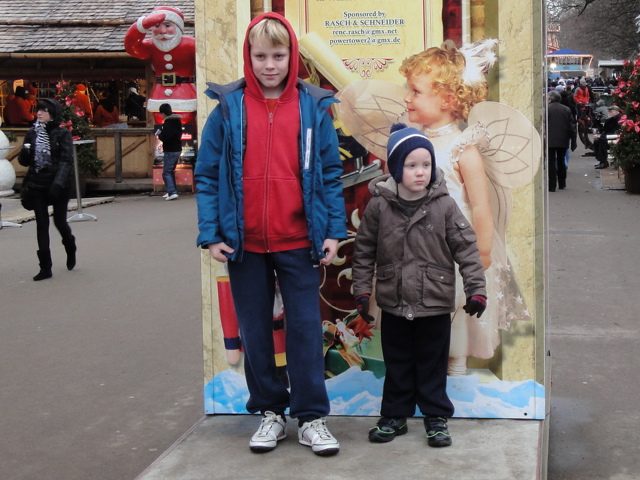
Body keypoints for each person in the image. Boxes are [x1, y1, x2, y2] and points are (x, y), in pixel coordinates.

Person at [195, 13, 346, 456]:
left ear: (292, 56)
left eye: (278, 56)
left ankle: (311, 417)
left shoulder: (313, 106)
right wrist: (211, 233)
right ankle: (270, 412)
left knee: (304, 330)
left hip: (299, 240)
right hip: (243, 243)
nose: (269, 65)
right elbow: (206, 175)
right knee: (256, 332)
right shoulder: (229, 107)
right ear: (249, 56)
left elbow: (331, 174)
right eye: (260, 56)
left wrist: (333, 230)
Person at [352, 123, 487, 447]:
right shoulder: (380, 206)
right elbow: (364, 250)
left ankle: (436, 417)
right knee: (397, 362)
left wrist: (476, 289)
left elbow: (467, 248)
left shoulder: (444, 205)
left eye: (426, 164)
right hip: (394, 301)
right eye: (412, 165)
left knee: (432, 363)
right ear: (396, 168)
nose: (420, 172)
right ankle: (394, 415)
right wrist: (362, 292)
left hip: (434, 301)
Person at [396, 42, 502, 376]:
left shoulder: (463, 149)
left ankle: (455, 370)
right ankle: (421, 375)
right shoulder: (411, 142)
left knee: (453, 309)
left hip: (452, 247)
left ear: (447, 99)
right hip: (415, 245)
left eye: (415, 91)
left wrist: (482, 251)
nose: (407, 98)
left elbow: (481, 204)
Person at [18, 99, 76, 281]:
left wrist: (57, 184)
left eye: (44, 110)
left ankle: (70, 245)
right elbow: (24, 162)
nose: (40, 113)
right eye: (38, 110)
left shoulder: (62, 133)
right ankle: (45, 267)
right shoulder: (32, 133)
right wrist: (25, 153)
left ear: (53, 113)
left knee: (59, 222)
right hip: (37, 184)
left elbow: (66, 160)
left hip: (59, 185)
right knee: (42, 224)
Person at [124, 6, 196, 125]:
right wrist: (142, 25)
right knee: (160, 121)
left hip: (185, 92)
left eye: (167, 25)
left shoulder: (190, 44)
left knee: (186, 121)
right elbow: (132, 47)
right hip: (160, 93)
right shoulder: (151, 46)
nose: (162, 31)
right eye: (157, 26)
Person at [547, 90, 577, 191]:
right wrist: (573, 141)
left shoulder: (546, 109)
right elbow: (572, 126)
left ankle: (552, 185)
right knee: (561, 160)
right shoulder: (566, 109)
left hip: (550, 140)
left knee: (551, 162)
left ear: (550, 99)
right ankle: (562, 183)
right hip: (563, 139)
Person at [157, 103, 182, 200]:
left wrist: (159, 134)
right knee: (170, 171)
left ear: (163, 113)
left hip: (171, 150)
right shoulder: (177, 121)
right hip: (177, 148)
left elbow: (166, 137)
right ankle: (171, 191)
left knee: (166, 172)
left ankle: (172, 192)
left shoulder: (169, 123)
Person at [594, 104, 622, 170]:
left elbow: (615, 131)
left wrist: (601, 136)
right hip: (609, 136)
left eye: (611, 111)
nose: (609, 113)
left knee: (602, 141)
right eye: (609, 111)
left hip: (613, 137)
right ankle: (601, 161)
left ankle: (604, 162)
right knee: (597, 141)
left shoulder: (618, 120)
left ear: (616, 112)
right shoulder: (612, 119)